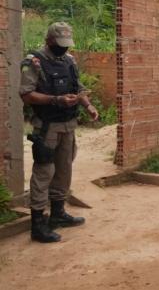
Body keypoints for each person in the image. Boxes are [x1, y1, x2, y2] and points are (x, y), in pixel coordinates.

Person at [19, 22, 99, 243]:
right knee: (44, 172)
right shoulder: (33, 62)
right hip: (47, 127)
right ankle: (38, 225)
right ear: (49, 41)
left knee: (64, 170)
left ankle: (58, 214)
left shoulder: (69, 61)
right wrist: (56, 100)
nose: (64, 48)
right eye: (60, 44)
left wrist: (88, 105)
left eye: (67, 44)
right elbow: (26, 94)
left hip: (68, 125)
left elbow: (78, 88)